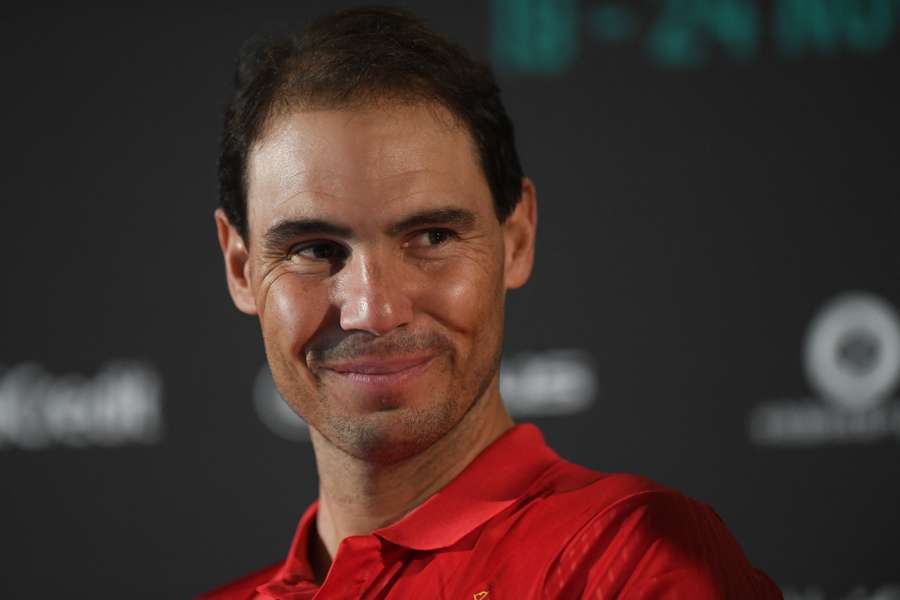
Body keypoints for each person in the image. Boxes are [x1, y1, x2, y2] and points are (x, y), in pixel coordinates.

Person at [204, 7, 781, 599]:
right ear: (241, 268)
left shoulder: (629, 560)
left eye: (432, 237)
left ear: (518, 238)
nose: (373, 310)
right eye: (316, 249)